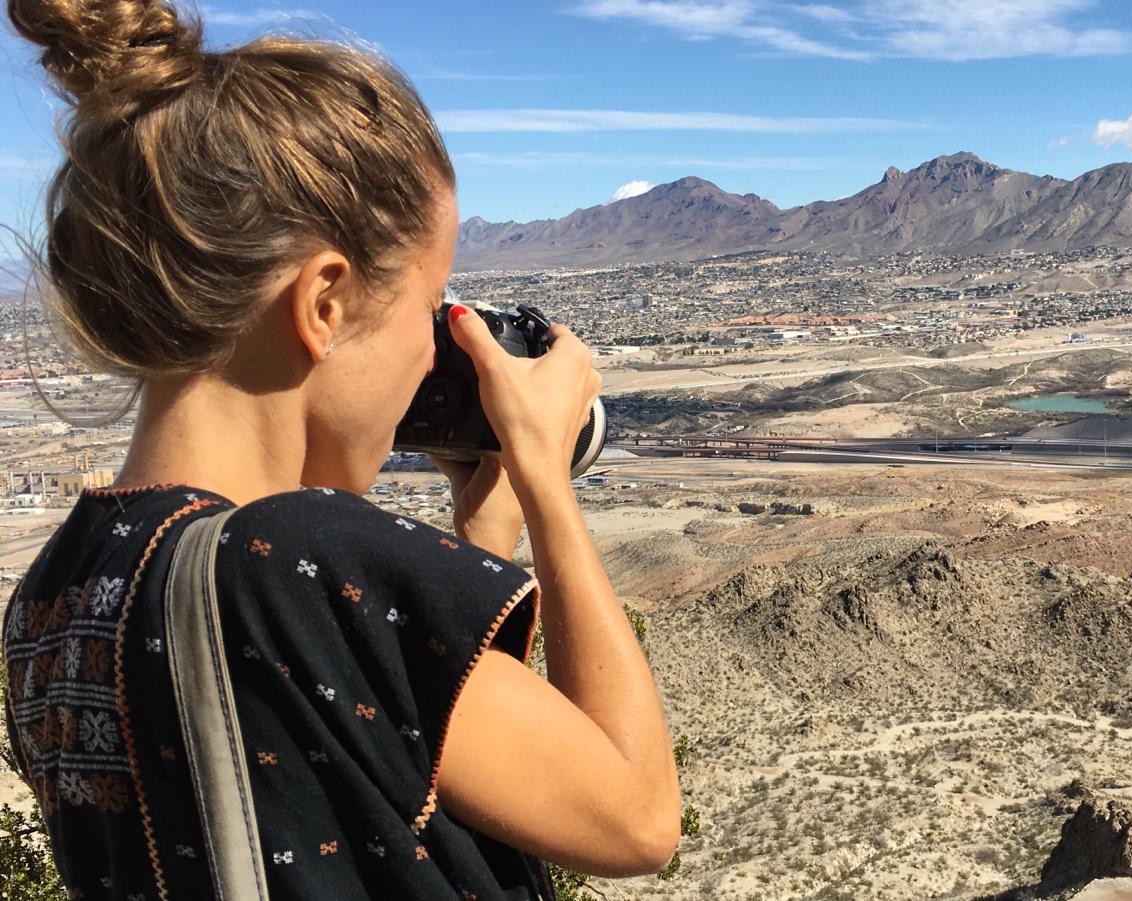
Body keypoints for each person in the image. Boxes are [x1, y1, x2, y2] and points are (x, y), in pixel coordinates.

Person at [0, 1, 681, 898]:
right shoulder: (292, 558)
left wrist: (477, 551)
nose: (427, 357)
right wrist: (547, 481)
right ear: (325, 303)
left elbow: (365, 762)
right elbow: (636, 817)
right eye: (428, 310)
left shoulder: (54, 591)